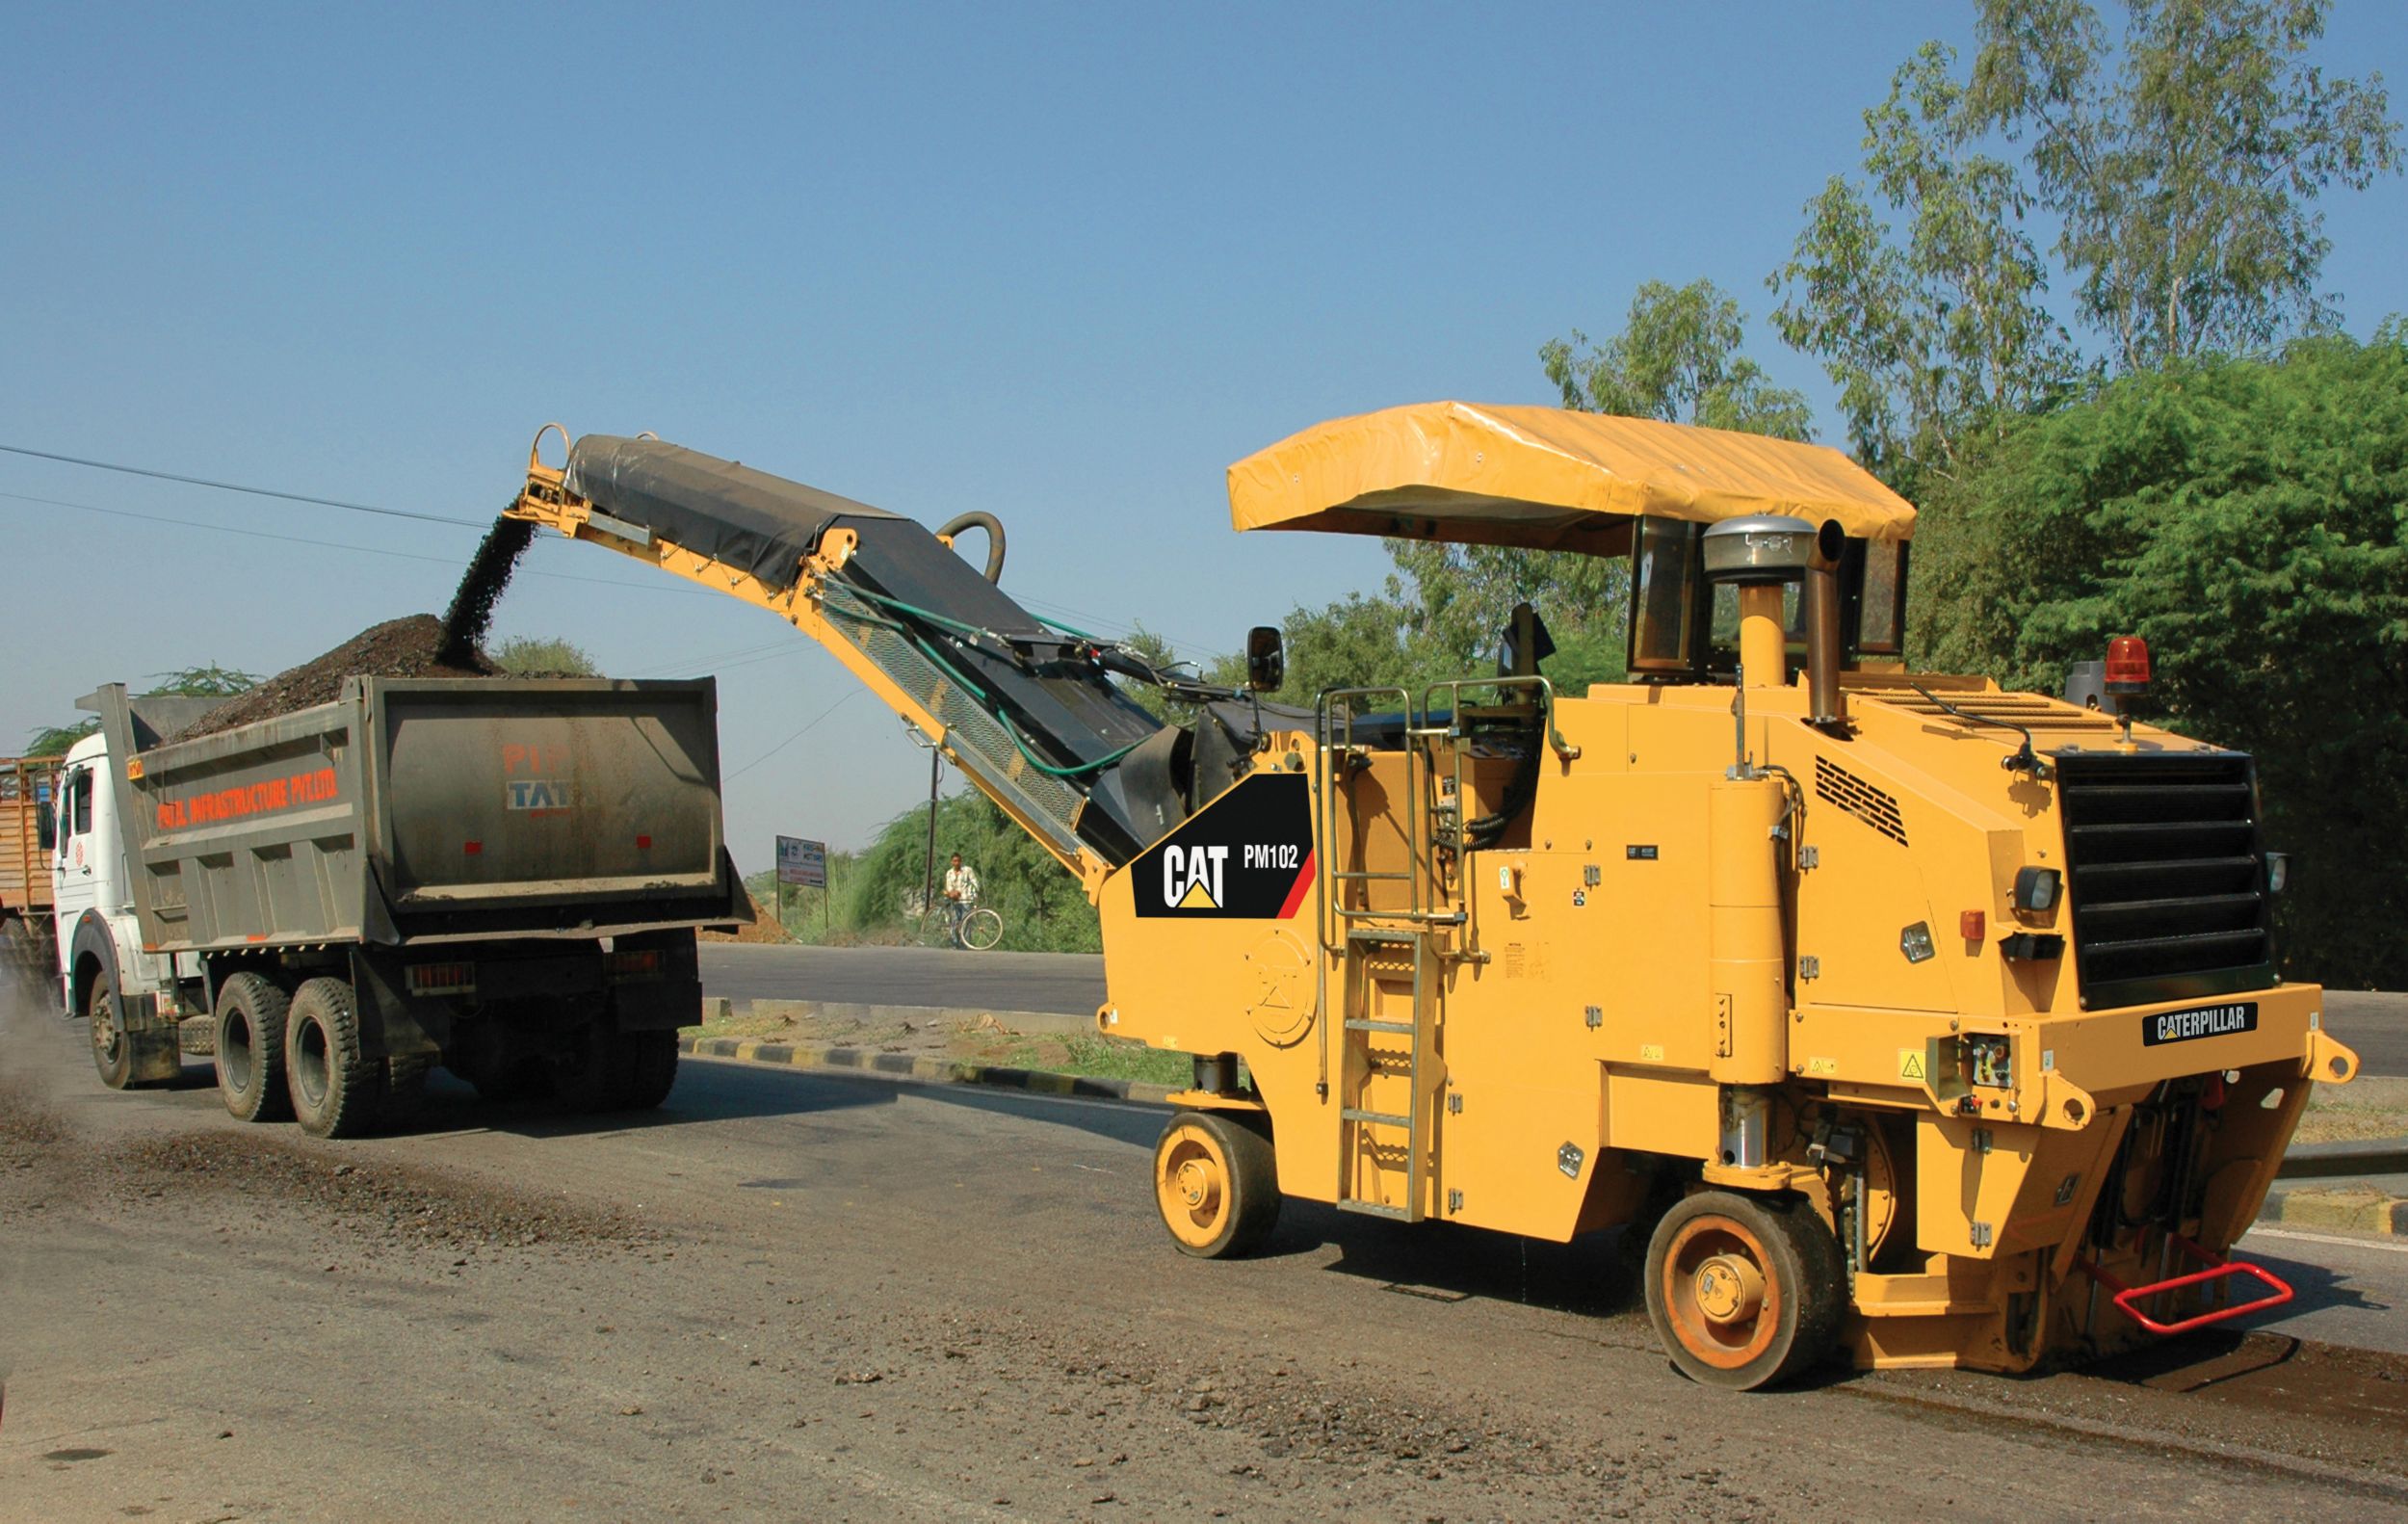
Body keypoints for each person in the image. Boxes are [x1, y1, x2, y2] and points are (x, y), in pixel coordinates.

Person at [941, 853, 981, 949]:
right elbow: (949, 887)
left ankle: (965, 945)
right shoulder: (949, 873)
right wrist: (952, 893)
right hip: (955, 901)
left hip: (966, 900)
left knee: (966, 923)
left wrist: (973, 893)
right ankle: (955, 943)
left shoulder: (967, 870)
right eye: (955, 861)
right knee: (954, 922)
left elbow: (975, 883)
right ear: (952, 862)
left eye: (958, 861)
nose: (957, 863)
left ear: (961, 861)